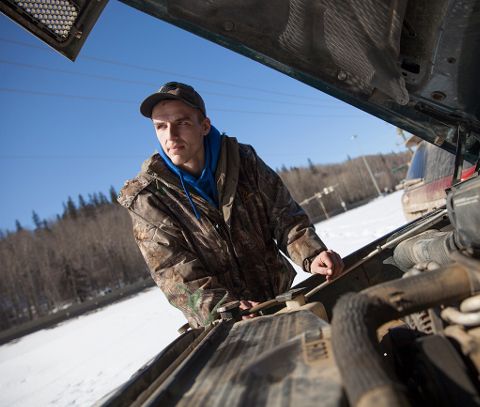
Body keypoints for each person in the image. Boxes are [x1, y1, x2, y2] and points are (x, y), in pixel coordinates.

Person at [119, 82, 344, 328]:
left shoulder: (244, 160)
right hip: (227, 329)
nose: (170, 136)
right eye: (161, 126)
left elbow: (284, 217)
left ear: (204, 126)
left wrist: (312, 254)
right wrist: (223, 308)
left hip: (282, 304)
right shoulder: (148, 198)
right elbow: (173, 273)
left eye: (181, 123)